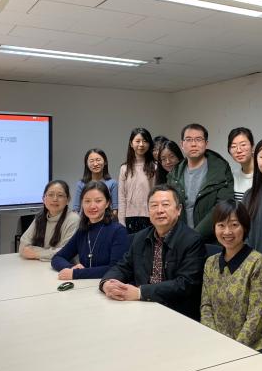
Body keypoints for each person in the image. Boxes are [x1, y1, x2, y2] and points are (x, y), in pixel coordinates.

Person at [201, 200, 262, 363]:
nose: (227, 231)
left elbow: (257, 317)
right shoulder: (210, 263)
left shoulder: (258, 262)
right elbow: (206, 307)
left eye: (234, 225)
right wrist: (214, 341)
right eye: (221, 225)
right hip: (225, 344)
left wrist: (233, 351)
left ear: (245, 227)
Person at [100, 184, 207, 320]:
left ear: (178, 209)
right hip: (142, 308)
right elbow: (123, 266)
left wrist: (140, 292)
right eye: (154, 205)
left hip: (177, 313)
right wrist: (107, 283)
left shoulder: (192, 240)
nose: (159, 210)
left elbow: (185, 284)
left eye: (165, 205)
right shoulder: (140, 237)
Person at [167, 123, 234, 243]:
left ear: (206, 143)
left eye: (198, 139)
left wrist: (195, 236)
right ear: (182, 144)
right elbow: (170, 207)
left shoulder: (221, 169)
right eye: (188, 140)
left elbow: (223, 206)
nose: (193, 144)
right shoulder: (174, 174)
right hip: (180, 240)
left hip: (212, 240)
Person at [52, 181, 128, 279]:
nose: (92, 206)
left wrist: (76, 274)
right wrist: (71, 267)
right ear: (82, 203)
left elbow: (116, 269)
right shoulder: (82, 231)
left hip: (106, 285)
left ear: (107, 203)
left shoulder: (118, 231)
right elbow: (57, 258)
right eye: (87, 201)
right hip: (84, 285)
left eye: (98, 201)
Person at [19, 180, 79, 261]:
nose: (55, 199)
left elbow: (66, 251)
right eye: (50, 195)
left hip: (65, 266)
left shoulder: (73, 219)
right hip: (37, 264)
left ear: (68, 200)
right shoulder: (40, 217)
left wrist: (37, 254)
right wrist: (50, 253)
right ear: (43, 199)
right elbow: (23, 246)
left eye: (60, 195)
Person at [118, 127, 155, 234]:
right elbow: (121, 196)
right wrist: (121, 220)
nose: (141, 144)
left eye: (145, 141)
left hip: (149, 216)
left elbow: (155, 194)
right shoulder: (124, 168)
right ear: (131, 143)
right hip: (129, 217)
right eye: (137, 141)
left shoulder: (155, 167)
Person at [72, 148, 118, 217]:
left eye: (98, 160)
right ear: (86, 164)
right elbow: (76, 209)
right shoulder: (81, 184)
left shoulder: (112, 183)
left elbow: (115, 209)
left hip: (106, 221)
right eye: (91, 161)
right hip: (85, 221)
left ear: (105, 162)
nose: (95, 164)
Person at [227, 127, 254, 202]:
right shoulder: (232, 176)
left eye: (243, 145)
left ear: (252, 147)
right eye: (233, 146)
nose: (238, 150)